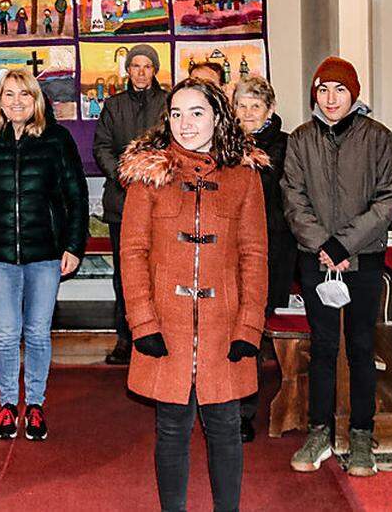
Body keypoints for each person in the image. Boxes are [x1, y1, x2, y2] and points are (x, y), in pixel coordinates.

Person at [118, 77, 267, 512]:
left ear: (218, 117)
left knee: (224, 424)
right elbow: (132, 252)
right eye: (177, 113)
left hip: (225, 321)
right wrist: (142, 322)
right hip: (167, 320)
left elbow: (255, 255)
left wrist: (249, 326)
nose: (186, 124)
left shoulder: (244, 175)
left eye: (197, 113)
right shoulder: (151, 173)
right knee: (171, 425)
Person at [282, 56, 392, 477]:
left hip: (363, 256)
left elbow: (389, 198)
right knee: (324, 346)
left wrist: (345, 243)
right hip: (317, 259)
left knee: (362, 347)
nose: (331, 99)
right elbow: (293, 199)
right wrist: (323, 245)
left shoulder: (379, 138)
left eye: (339, 90)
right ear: (314, 94)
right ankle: (319, 432)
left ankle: (362, 434)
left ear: (354, 94)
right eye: (323, 90)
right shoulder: (300, 140)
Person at [0, 69, 88, 441]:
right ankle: (7, 404)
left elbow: (76, 196)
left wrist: (74, 247)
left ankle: (34, 404)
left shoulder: (57, 139)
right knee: (5, 333)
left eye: (24, 95)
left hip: (45, 253)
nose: (16, 102)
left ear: (37, 100)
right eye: (8, 95)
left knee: (37, 332)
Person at [92, 44, 168, 365]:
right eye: (134, 66)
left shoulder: (167, 104)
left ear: (154, 70)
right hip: (122, 202)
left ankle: (161, 335)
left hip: (161, 201)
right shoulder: (113, 105)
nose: (140, 72)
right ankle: (126, 337)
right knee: (126, 275)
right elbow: (102, 147)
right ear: (127, 70)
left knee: (160, 272)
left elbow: (173, 144)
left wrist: (153, 174)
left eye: (146, 66)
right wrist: (125, 174)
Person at [232, 74, 296, 443]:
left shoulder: (285, 146)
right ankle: (237, 407)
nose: (248, 113)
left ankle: (246, 410)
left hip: (272, 247)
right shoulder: (223, 143)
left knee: (254, 327)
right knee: (238, 327)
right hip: (230, 248)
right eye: (241, 105)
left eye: (255, 105)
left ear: (269, 109)